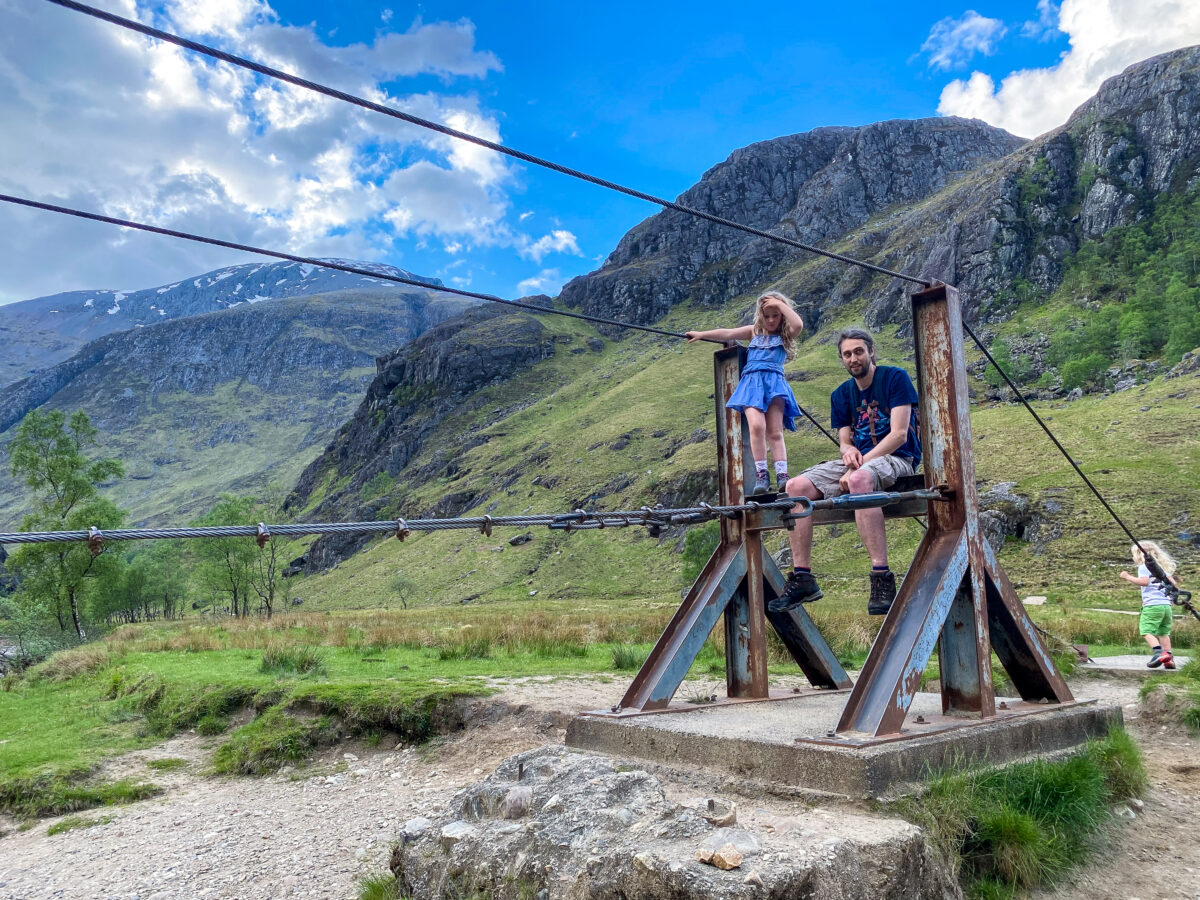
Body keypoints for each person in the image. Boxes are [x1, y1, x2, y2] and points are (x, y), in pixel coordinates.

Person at [775, 328, 920, 615]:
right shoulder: (841, 394)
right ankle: (803, 577)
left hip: (896, 458)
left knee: (859, 479)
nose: (853, 358)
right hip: (860, 460)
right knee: (795, 488)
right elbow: (844, 439)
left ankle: (881, 576)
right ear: (842, 359)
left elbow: (900, 435)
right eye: (847, 354)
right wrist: (847, 451)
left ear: (871, 352)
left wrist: (862, 462)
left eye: (858, 351)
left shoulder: (895, 378)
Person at [685, 292, 805, 494]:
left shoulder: (784, 335)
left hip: (774, 383)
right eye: (766, 316)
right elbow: (727, 333)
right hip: (751, 384)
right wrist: (702, 334)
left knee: (774, 431)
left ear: (782, 315)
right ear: (760, 316)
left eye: (775, 315)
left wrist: (779, 304)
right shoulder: (754, 332)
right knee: (757, 426)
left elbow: (798, 325)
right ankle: (762, 475)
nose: (770, 320)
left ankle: (783, 475)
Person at [1120, 540, 1181, 669]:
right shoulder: (1162, 569)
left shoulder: (1144, 566)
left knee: (1146, 630)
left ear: (1139, 554)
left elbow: (1144, 582)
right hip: (1166, 606)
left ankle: (1158, 652)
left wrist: (1127, 577)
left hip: (1152, 605)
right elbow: (1173, 585)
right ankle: (1169, 657)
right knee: (1164, 632)